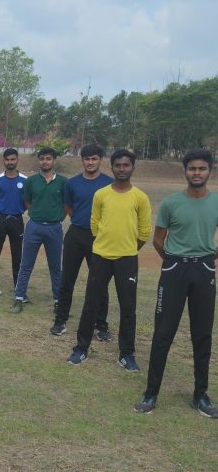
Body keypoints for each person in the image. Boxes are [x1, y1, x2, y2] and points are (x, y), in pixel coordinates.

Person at [134, 150, 218, 416]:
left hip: (204, 270)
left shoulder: (216, 202)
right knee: (163, 333)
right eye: (192, 168)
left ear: (210, 171)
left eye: (201, 168)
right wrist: (174, 262)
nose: (197, 173)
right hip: (174, 269)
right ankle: (151, 393)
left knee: (202, 335)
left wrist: (207, 260)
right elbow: (158, 240)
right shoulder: (171, 203)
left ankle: (200, 395)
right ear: (185, 171)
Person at [68, 150, 152, 370]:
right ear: (112, 167)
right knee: (91, 304)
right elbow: (95, 224)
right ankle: (81, 348)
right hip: (101, 256)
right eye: (118, 165)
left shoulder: (140, 197)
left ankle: (127, 354)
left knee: (128, 308)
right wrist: (105, 245)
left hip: (127, 259)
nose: (121, 169)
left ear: (133, 167)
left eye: (126, 165)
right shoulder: (101, 194)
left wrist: (128, 249)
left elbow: (144, 231)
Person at [50, 145, 112, 336]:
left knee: (99, 282)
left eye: (94, 159)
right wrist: (80, 220)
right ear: (82, 160)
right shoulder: (72, 183)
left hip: (99, 237)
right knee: (67, 280)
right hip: (76, 235)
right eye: (87, 159)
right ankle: (60, 320)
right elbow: (68, 207)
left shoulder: (109, 184)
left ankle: (101, 324)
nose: (90, 162)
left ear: (100, 159)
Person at [11, 147, 67, 314]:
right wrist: (37, 214)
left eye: (48, 158)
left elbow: (66, 205)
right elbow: (27, 202)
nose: (45, 162)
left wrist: (57, 218)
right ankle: (19, 298)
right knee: (26, 264)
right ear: (39, 161)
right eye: (42, 159)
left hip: (54, 228)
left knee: (55, 266)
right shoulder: (31, 181)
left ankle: (58, 301)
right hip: (34, 227)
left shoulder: (63, 182)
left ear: (54, 160)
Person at [0, 148, 27, 295]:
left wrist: (18, 210)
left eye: (13, 159)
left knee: (17, 256)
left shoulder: (25, 180)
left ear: (17, 160)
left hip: (16, 219)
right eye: (7, 159)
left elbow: (26, 202)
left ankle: (19, 288)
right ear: (3, 161)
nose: (10, 162)